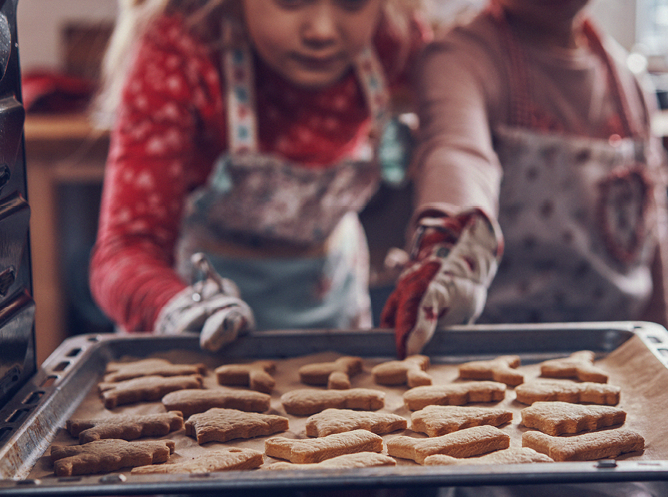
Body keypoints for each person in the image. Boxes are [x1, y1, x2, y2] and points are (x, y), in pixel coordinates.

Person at [89, 0, 432, 352]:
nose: (322, 31)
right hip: (200, 335)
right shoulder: (183, 47)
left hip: (334, 310)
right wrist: (181, 311)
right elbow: (124, 252)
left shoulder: (394, 38)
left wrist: (419, 142)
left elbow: (456, 139)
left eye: (353, 2)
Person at [380, 0, 668, 359]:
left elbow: (653, 231)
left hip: (619, 354)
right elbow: (458, 151)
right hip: (492, 353)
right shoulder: (461, 57)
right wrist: (449, 240)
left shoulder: (629, 81)